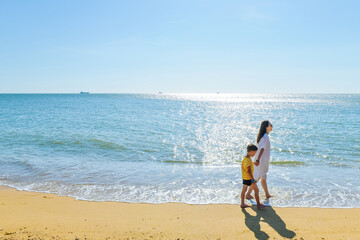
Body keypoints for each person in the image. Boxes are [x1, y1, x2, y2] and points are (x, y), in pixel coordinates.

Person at [246, 120, 273, 200]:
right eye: (270, 125)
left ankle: (267, 194)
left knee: (263, 178)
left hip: (262, 160)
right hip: (261, 161)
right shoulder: (265, 136)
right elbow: (261, 149)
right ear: (266, 127)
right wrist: (257, 160)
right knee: (256, 178)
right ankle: (248, 194)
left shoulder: (263, 136)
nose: (271, 126)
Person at [241, 144, 267, 209]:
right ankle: (258, 205)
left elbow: (247, 166)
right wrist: (252, 180)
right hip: (249, 179)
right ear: (250, 152)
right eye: (254, 152)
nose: (254, 154)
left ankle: (242, 203)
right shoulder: (249, 160)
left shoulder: (245, 158)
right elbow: (249, 171)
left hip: (244, 178)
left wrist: (253, 163)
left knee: (244, 190)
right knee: (257, 190)